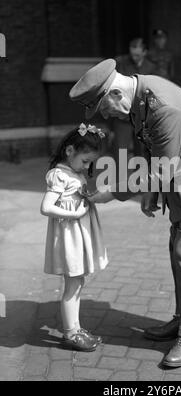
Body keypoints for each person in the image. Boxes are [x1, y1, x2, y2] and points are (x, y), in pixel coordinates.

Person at [69, 59, 181, 367]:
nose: (107, 117)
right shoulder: (139, 98)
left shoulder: (162, 107)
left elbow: (164, 167)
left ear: (115, 95)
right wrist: (152, 192)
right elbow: (157, 152)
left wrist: (112, 193)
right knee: (178, 249)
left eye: (105, 110)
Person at [40, 123, 108, 352]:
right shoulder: (59, 175)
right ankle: (70, 333)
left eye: (91, 162)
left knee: (77, 282)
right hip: (69, 237)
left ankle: (76, 328)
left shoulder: (73, 172)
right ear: (70, 151)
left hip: (77, 235)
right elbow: (46, 207)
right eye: (86, 160)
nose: (88, 166)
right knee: (72, 285)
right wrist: (74, 213)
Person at [114, 38, 157, 159]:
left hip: (142, 117)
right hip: (123, 115)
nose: (134, 57)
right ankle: (121, 178)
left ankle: (141, 178)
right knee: (120, 152)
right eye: (132, 54)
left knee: (143, 153)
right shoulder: (121, 63)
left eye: (137, 55)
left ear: (145, 52)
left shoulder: (151, 67)